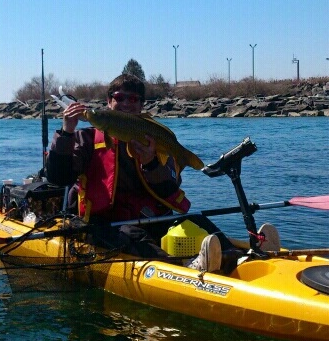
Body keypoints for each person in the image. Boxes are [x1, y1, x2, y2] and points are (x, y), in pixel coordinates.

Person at [46, 73, 280, 272]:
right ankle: (182, 269)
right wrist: (66, 131)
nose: (127, 103)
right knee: (132, 235)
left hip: (152, 216)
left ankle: (241, 256)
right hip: (109, 224)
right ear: (108, 101)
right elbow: (58, 178)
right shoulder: (84, 138)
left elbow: (170, 187)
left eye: (134, 99)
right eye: (119, 98)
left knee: (195, 220)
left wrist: (150, 163)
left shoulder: (151, 135)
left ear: (141, 106)